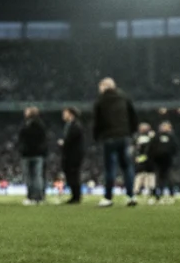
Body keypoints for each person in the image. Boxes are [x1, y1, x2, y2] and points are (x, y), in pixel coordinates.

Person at [92, 77, 139, 207]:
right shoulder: (124, 97)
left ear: (103, 87)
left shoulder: (100, 101)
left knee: (110, 168)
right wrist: (131, 133)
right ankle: (131, 196)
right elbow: (133, 116)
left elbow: (97, 122)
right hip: (124, 136)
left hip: (109, 137)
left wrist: (96, 137)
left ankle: (108, 198)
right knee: (127, 167)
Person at [18, 107, 48, 206]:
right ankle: (39, 197)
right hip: (39, 154)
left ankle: (31, 197)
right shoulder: (41, 125)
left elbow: (21, 138)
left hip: (27, 154)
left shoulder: (26, 125)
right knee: (38, 177)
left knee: (29, 177)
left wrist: (21, 149)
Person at [150, 121, 178, 204]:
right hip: (158, 160)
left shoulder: (171, 137)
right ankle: (158, 195)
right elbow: (151, 147)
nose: (164, 128)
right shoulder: (156, 137)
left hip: (167, 160)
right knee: (159, 179)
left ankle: (171, 194)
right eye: (163, 126)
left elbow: (175, 148)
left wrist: (171, 156)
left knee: (168, 177)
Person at [60, 107, 84, 204]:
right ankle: (74, 196)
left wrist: (64, 143)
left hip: (73, 155)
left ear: (71, 114)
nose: (63, 115)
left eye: (65, 113)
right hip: (69, 155)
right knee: (70, 175)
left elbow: (71, 139)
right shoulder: (70, 125)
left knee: (73, 175)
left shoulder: (75, 125)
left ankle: (76, 197)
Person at [133, 122, 156, 201]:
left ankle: (149, 189)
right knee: (140, 174)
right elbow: (136, 148)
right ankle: (137, 189)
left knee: (149, 174)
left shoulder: (151, 136)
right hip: (142, 158)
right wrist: (136, 157)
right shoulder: (137, 137)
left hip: (149, 158)